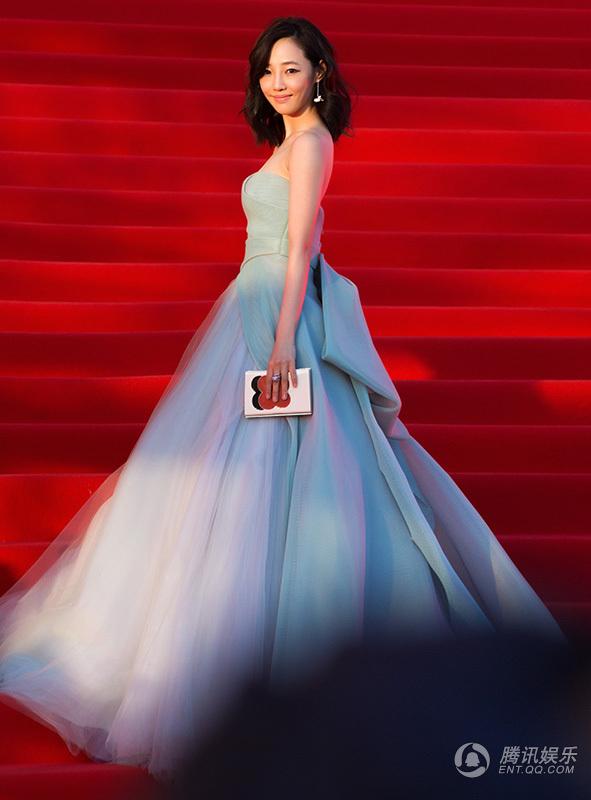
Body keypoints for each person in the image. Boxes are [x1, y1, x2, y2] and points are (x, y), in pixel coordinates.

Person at [0, 15, 569, 786]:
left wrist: (279, 344)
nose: (277, 82)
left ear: (319, 75)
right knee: (225, 470)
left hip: (281, 314)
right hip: (250, 305)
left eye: (291, 69)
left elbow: (300, 246)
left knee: (288, 466)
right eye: (268, 69)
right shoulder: (285, 142)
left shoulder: (311, 144)